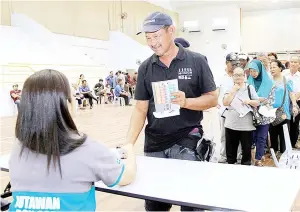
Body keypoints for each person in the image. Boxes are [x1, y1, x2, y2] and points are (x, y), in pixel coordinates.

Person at [9, 69, 136, 212]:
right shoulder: (87, 148)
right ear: (66, 104)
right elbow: (126, 176)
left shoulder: (18, 147)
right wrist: (130, 150)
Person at [131, 11, 217, 211]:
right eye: (148, 38)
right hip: (155, 145)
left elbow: (212, 98)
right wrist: (128, 143)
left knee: (191, 203)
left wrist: (186, 102)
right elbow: (140, 108)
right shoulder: (145, 67)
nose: (152, 42)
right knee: (155, 205)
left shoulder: (197, 61)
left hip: (187, 141)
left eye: (157, 36)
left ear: (171, 31)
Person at [223, 68, 259, 165]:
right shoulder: (230, 88)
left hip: (246, 126)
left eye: (240, 75)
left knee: (246, 152)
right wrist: (233, 91)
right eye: (236, 75)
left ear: (244, 76)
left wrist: (249, 102)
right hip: (231, 124)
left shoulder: (249, 87)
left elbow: (257, 102)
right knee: (230, 153)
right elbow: (225, 103)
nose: (238, 77)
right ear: (232, 76)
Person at [247, 59, 275, 166]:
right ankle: (255, 154)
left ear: (260, 70)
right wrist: (255, 101)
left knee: (262, 137)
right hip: (251, 115)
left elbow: (272, 100)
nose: (253, 73)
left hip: (264, 115)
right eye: (251, 71)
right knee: (252, 137)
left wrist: (263, 101)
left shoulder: (269, 83)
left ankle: (258, 158)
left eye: (255, 71)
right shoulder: (248, 82)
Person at [216, 52, 239, 163]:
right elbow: (216, 91)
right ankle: (224, 155)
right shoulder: (220, 76)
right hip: (223, 111)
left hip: (237, 111)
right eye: (232, 64)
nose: (234, 66)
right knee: (224, 135)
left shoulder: (239, 75)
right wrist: (215, 101)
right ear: (226, 63)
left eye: (236, 64)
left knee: (238, 135)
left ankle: (238, 156)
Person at [269, 60, 293, 154]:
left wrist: (294, 105)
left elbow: (291, 93)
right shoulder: (268, 82)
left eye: (274, 67)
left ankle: (285, 153)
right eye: (270, 67)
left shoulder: (286, 80)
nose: (272, 69)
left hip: (284, 111)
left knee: (284, 134)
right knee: (273, 133)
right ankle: (274, 151)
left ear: (280, 68)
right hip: (271, 111)